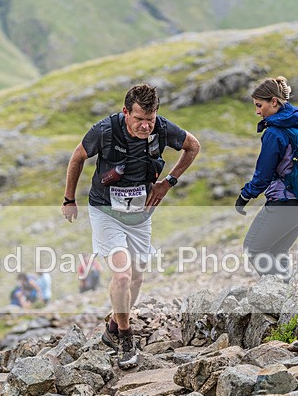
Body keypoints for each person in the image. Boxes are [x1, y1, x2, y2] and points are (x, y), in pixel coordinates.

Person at [62, 84, 200, 369]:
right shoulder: (105, 130)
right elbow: (77, 157)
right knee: (122, 276)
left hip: (140, 215)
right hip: (106, 210)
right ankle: (126, 337)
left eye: (150, 119)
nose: (145, 125)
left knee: (137, 278)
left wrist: (168, 182)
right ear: (126, 112)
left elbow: (193, 146)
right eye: (139, 119)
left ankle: (113, 326)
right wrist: (69, 199)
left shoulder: (161, 129)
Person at [236, 76, 298, 278]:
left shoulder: (274, 132)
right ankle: (291, 302)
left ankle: (281, 299)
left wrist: (245, 196)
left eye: (259, 105)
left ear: (274, 101)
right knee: (277, 251)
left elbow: (263, 175)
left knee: (253, 249)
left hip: (285, 204)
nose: (257, 111)